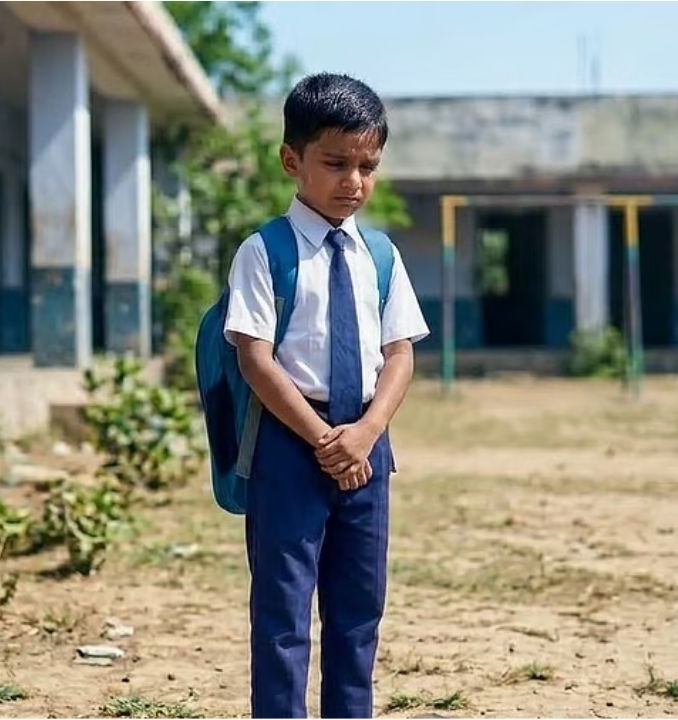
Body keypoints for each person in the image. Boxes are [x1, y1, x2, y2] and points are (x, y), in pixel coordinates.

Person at [223, 72, 430, 718]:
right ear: (293, 160)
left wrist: (364, 433)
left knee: (358, 610)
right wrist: (322, 439)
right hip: (291, 450)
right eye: (336, 163)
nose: (355, 182)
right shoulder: (265, 253)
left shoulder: (381, 255)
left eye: (368, 165)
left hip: (367, 454)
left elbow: (400, 352)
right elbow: (255, 357)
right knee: (283, 617)